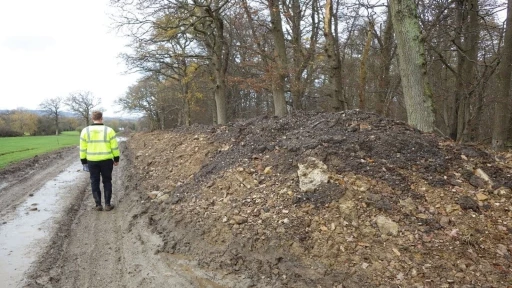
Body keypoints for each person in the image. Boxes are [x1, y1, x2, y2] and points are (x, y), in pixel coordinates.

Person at [80, 111, 120, 211]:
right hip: (106, 161)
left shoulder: (85, 131)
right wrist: (116, 159)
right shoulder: (109, 130)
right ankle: (107, 204)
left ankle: (98, 205)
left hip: (92, 161)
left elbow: (82, 148)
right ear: (102, 118)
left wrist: (83, 161)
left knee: (94, 181)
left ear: (92, 118)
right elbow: (114, 147)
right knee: (107, 181)